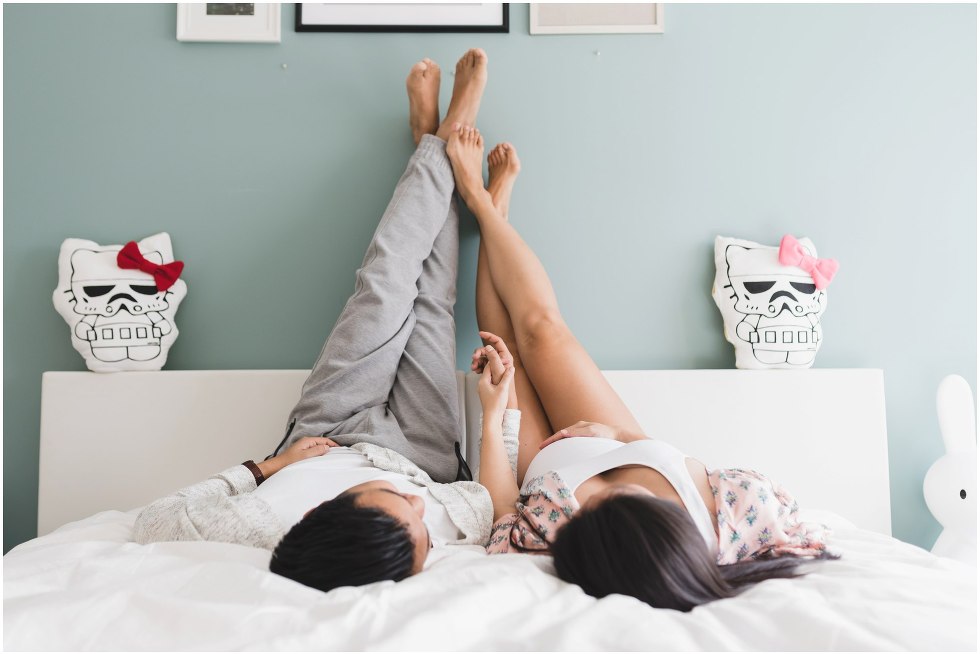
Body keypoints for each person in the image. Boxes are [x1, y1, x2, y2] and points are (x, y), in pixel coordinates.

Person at [133, 50, 523, 593]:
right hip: (425, 450)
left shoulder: (259, 527)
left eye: (394, 507)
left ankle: (439, 137)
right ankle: (434, 147)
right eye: (424, 536)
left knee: (387, 282)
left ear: (327, 517)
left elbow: (152, 523)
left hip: (329, 428)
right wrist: (497, 410)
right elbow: (497, 508)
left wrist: (268, 469)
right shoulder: (434, 516)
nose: (417, 505)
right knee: (434, 300)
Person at [445, 125, 837, 613]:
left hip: (539, 462)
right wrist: (621, 438)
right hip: (611, 431)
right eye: (629, 498)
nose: (601, 492)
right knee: (543, 331)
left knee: (508, 354)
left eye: (590, 510)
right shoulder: (734, 516)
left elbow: (503, 512)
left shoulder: (560, 535)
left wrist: (494, 406)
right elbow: (809, 540)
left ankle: (493, 212)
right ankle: (481, 203)